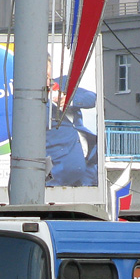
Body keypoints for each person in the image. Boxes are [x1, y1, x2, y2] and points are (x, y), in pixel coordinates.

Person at [46, 57, 98, 187]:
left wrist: (70, 99)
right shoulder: (30, 98)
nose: (46, 77)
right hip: (63, 165)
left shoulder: (63, 83)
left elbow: (92, 98)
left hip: (89, 161)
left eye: (47, 73)